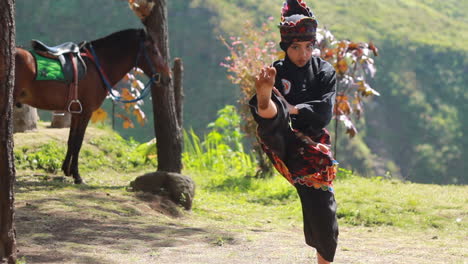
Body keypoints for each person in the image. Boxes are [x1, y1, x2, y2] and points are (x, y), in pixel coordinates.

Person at [249, 0, 339, 263]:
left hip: (313, 147)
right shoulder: (275, 71)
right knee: (272, 115)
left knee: (321, 206)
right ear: (286, 47)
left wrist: (295, 108)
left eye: (309, 47)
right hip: (282, 139)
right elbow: (277, 119)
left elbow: (324, 112)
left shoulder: (324, 71)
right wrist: (271, 100)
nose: (303, 54)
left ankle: (323, 259)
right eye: (296, 47)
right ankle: (266, 101)